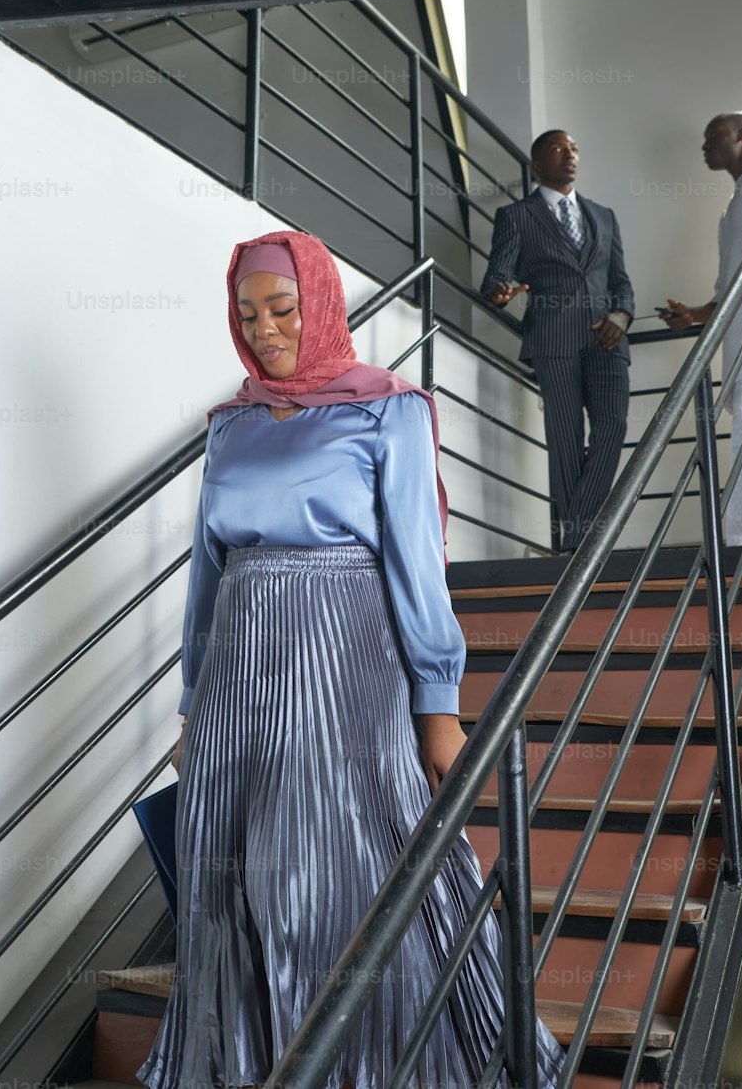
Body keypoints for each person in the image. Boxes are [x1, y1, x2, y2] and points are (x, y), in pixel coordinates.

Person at [137, 230, 564, 1089]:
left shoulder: (388, 408)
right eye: (248, 313)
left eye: (283, 309)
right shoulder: (232, 425)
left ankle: (371, 1064)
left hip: (345, 664)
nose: (263, 329)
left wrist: (437, 708)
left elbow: (418, 562)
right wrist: (192, 707)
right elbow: (207, 575)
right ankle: (250, 1060)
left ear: (321, 303)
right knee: (237, 881)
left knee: (330, 876)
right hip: (237, 682)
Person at [481, 129, 635, 553]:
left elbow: (621, 282)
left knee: (612, 425)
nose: (569, 155)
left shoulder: (603, 215)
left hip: (607, 340)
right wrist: (500, 291)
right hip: (553, 338)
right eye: (557, 149)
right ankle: (580, 548)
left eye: (573, 149)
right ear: (536, 166)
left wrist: (621, 316)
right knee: (566, 438)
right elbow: (497, 276)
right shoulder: (516, 216)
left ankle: (577, 539)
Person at [660, 112, 742, 544]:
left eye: (712, 134)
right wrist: (694, 315)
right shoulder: (732, 208)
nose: (704, 144)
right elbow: (728, 290)